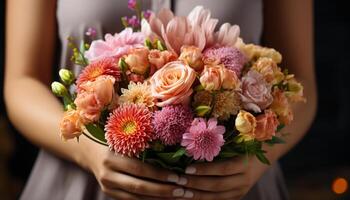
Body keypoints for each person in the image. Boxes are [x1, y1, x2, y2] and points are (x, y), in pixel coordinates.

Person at [4, 0, 317, 199]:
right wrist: (85, 147)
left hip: (232, 186)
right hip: (75, 185)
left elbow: (301, 83)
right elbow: (21, 81)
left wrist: (256, 156)